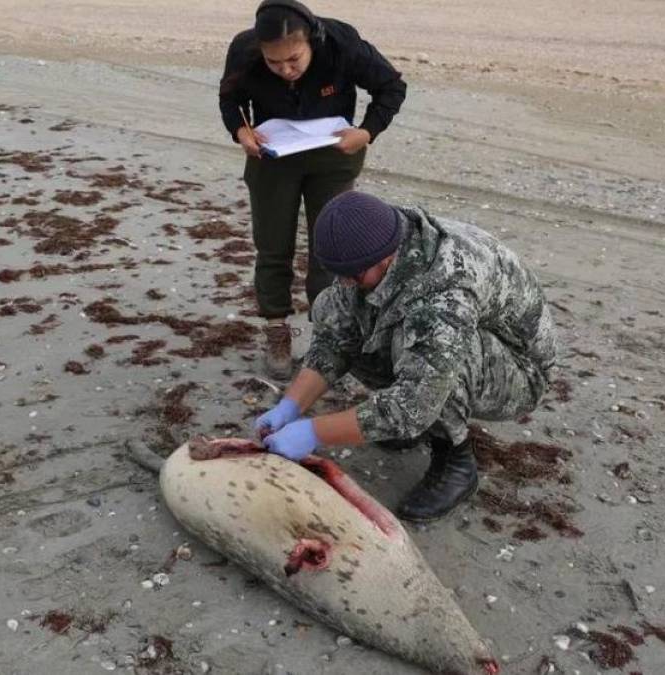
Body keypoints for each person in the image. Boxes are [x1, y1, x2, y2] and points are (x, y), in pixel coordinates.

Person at [252, 191, 560, 522]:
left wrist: (312, 433)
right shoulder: (375, 243)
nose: (345, 281)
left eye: (352, 274)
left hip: (520, 371)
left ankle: (454, 460)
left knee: (438, 354)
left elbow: (416, 403)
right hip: (451, 334)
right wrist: (290, 406)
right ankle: (401, 428)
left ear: (385, 258)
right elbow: (335, 340)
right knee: (336, 308)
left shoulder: (444, 289)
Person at [219, 0, 407, 379]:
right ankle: (276, 331)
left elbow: (391, 86)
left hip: (334, 155)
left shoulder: (341, 42)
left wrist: (367, 132)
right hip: (271, 157)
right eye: (274, 63)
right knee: (273, 247)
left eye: (294, 60)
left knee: (332, 252)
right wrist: (241, 131)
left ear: (312, 42)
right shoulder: (243, 49)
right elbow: (230, 99)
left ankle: (328, 338)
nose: (286, 70)